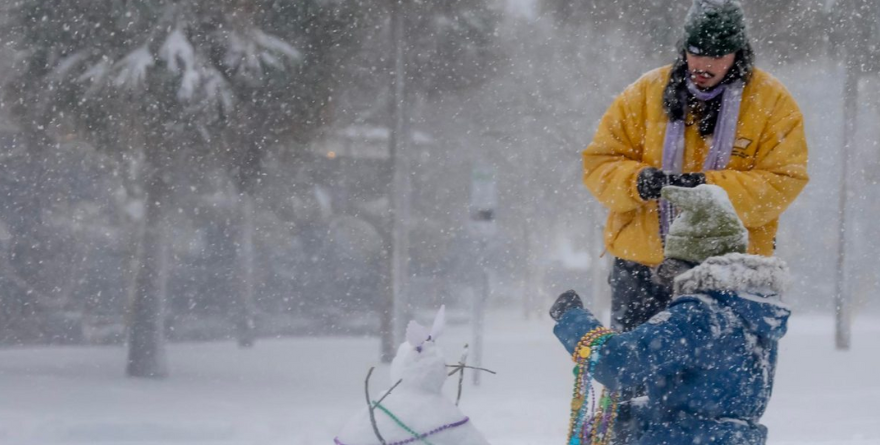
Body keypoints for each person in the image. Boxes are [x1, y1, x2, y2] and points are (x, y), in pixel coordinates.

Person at [582, 0, 808, 333]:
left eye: (717, 55)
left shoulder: (773, 103)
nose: (703, 64)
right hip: (642, 270)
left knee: (711, 384)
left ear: (738, 54)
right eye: (695, 51)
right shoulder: (644, 94)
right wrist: (637, 181)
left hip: (730, 274)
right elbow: (599, 162)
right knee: (629, 380)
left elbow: (783, 181)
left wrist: (707, 188)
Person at [550, 184, 791, 445]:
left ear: (689, 264)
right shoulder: (751, 313)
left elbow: (618, 364)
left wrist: (572, 318)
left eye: (671, 268)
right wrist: (628, 418)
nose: (669, 282)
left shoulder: (699, 314)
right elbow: (710, 410)